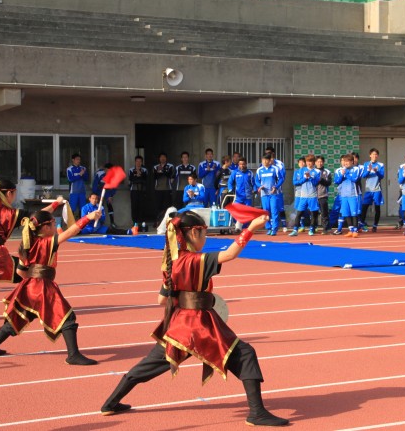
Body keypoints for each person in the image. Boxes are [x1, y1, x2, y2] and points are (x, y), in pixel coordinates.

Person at [100, 211, 289, 426]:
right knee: (245, 354)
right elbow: (229, 254)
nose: (205, 238)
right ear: (192, 232)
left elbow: (162, 300)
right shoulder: (195, 260)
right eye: (204, 233)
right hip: (199, 325)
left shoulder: (172, 261)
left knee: (148, 365)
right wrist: (251, 228)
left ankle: (110, 403)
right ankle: (257, 413)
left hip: (178, 325)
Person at [0, 209, 102, 365]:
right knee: (68, 318)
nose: (55, 226)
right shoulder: (46, 242)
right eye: (53, 224)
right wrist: (88, 217)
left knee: (16, 318)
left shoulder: (26, 245)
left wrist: (32, 280)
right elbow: (70, 232)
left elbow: (20, 272)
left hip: (29, 286)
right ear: (45, 227)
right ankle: (73, 355)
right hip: (42, 286)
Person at [290, 154, 320, 237]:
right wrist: (305, 179)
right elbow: (296, 183)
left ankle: (311, 229)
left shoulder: (317, 171)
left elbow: (315, 183)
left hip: (312, 196)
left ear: (313, 162)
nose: (308, 163)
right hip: (303, 196)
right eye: (307, 162)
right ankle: (295, 230)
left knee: (313, 213)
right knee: (299, 213)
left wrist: (310, 177)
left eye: (310, 162)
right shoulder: (301, 170)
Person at [334, 153, 363, 237]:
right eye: (344, 161)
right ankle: (350, 230)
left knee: (354, 213)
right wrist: (342, 175)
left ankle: (355, 230)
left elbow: (354, 179)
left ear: (352, 162)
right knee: (346, 213)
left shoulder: (356, 169)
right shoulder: (340, 170)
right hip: (343, 195)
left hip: (353, 195)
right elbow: (336, 181)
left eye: (347, 161)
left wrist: (346, 173)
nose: (345, 163)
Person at [256, 153, 283, 236]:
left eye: (266, 160)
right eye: (263, 160)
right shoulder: (259, 170)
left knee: (274, 211)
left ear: (269, 160)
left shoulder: (275, 169)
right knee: (266, 211)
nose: (264, 162)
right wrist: (260, 186)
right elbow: (256, 181)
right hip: (264, 194)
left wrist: (276, 186)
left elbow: (281, 179)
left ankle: (274, 229)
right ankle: (268, 228)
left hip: (273, 194)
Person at [360, 148, 385, 232]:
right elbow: (363, 176)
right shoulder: (366, 164)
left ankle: (375, 225)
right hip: (368, 190)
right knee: (364, 207)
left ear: (377, 156)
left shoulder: (380, 165)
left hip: (377, 189)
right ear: (370, 155)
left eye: (376, 154)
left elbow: (381, 176)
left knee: (377, 208)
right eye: (373, 154)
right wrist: (369, 170)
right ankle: (362, 224)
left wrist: (376, 171)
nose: (374, 156)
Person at [153, 153, 176, 227]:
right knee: (158, 206)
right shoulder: (155, 167)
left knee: (167, 206)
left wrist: (163, 171)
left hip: (167, 189)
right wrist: (161, 172)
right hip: (158, 189)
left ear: (166, 158)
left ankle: (167, 222)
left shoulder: (170, 166)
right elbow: (155, 176)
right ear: (159, 159)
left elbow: (171, 175)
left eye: (164, 157)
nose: (162, 159)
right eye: (161, 157)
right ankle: (158, 221)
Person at [92, 163, 117, 228]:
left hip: (108, 192)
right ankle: (99, 223)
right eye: (107, 170)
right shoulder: (99, 174)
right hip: (100, 192)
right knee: (100, 207)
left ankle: (112, 222)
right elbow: (95, 184)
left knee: (109, 206)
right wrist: (96, 194)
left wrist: (111, 195)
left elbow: (114, 186)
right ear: (105, 169)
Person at [128, 155, 148, 231]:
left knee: (142, 207)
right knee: (134, 207)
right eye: (137, 161)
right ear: (135, 162)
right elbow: (131, 179)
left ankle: (142, 223)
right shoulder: (131, 170)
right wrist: (138, 178)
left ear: (142, 162)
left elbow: (145, 180)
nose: (138, 163)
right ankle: (135, 223)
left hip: (142, 190)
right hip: (134, 190)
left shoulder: (144, 170)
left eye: (140, 161)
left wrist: (138, 177)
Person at [66, 153, 89, 218]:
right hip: (73, 192)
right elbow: (70, 179)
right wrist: (80, 175)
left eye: (79, 159)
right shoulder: (69, 169)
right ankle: (72, 225)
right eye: (77, 159)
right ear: (73, 160)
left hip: (82, 191)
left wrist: (83, 174)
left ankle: (82, 225)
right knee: (72, 209)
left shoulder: (83, 168)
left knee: (83, 209)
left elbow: (86, 178)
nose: (78, 161)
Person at [314, 156, 332, 234]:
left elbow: (329, 183)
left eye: (321, 161)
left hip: (323, 195)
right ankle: (313, 227)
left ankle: (326, 228)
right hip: (313, 195)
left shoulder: (327, 172)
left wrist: (321, 179)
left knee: (324, 212)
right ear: (315, 163)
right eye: (318, 162)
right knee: (313, 212)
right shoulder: (312, 171)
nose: (320, 163)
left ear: (323, 162)